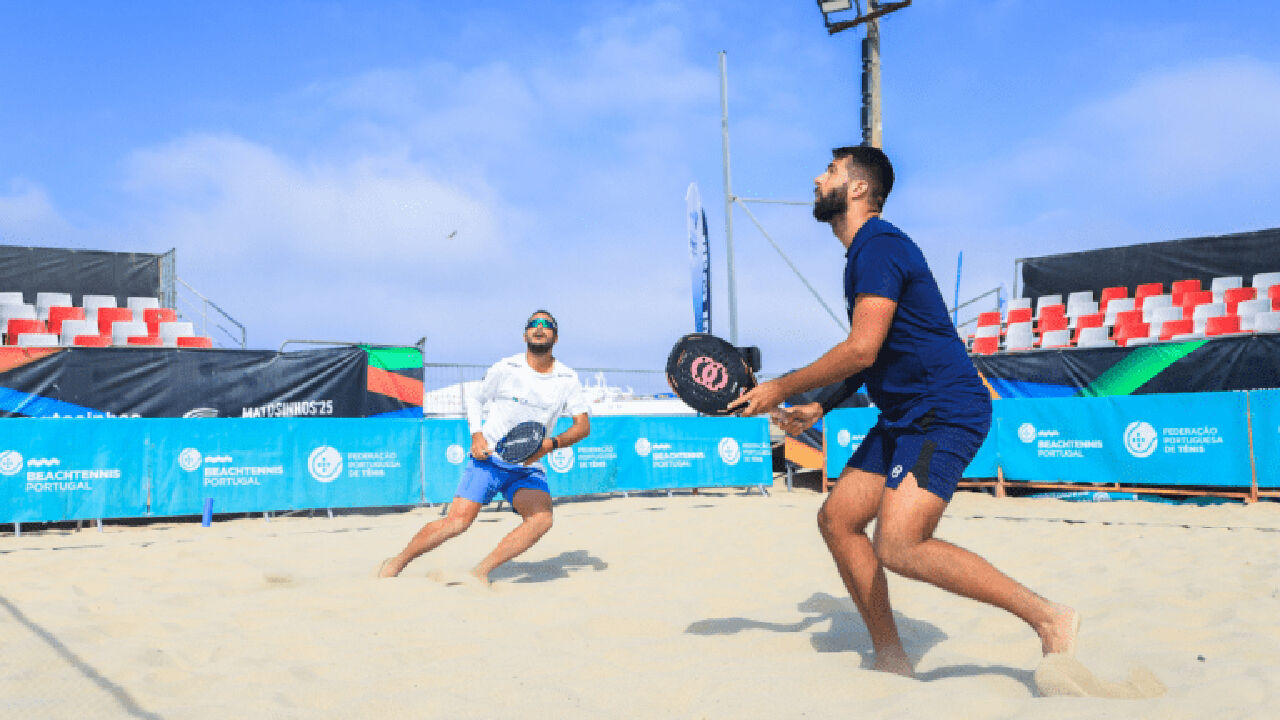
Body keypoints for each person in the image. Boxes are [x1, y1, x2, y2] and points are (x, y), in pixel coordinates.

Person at [729, 145, 1077, 677]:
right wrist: (822, 403)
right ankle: (892, 659)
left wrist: (780, 387)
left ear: (859, 188)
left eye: (831, 171)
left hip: (944, 409)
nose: (818, 178)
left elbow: (861, 349)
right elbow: (877, 352)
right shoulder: (862, 255)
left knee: (899, 544)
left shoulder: (879, 246)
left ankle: (1050, 619)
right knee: (838, 520)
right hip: (903, 415)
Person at [377, 310, 590, 583]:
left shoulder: (567, 378)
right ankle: (396, 562)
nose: (540, 328)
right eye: (533, 324)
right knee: (457, 523)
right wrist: (476, 435)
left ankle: (480, 572)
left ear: (556, 337)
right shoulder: (506, 368)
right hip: (490, 459)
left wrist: (550, 444)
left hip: (527, 465)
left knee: (542, 520)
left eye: (547, 324)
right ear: (525, 335)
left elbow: (582, 426)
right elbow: (475, 399)